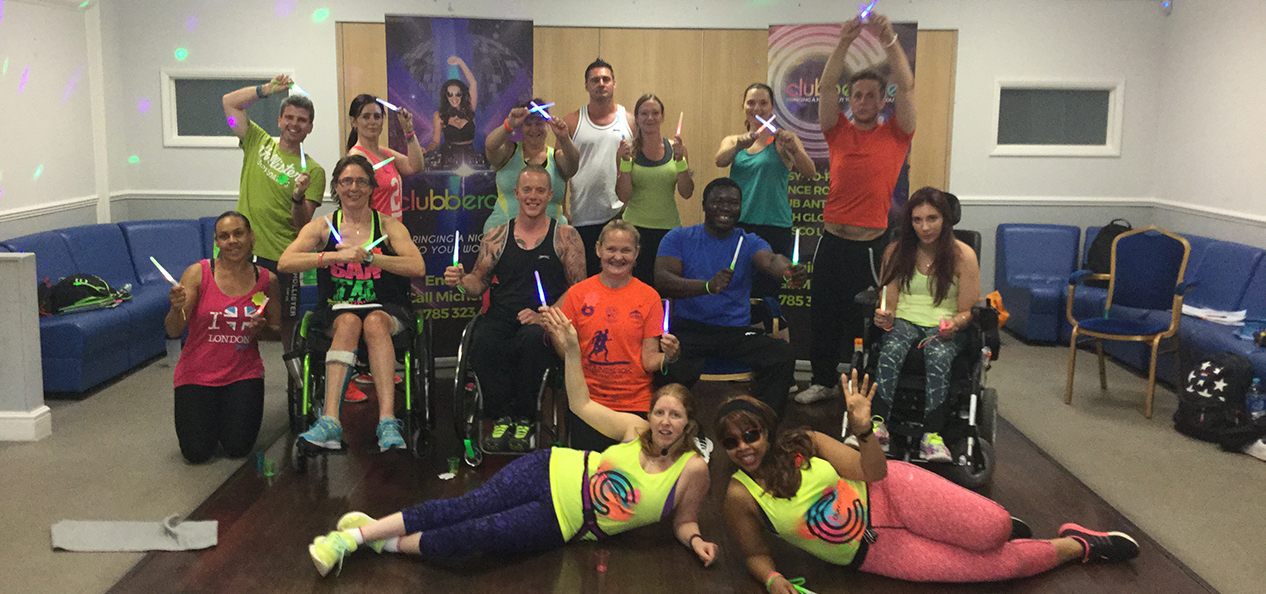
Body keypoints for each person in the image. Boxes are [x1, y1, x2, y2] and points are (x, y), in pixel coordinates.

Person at [305, 307, 718, 577]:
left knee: (474, 538)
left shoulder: (693, 470)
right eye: (659, 411)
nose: (664, 421)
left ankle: (380, 540)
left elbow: (684, 521)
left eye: (674, 415)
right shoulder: (635, 430)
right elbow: (580, 402)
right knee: (465, 506)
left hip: (566, 520)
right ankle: (349, 538)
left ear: (688, 424)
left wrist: (698, 542)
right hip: (551, 468)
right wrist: (572, 350)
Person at [719, 371, 1140, 593]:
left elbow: (874, 472)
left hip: (890, 492)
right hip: (871, 553)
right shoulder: (740, 495)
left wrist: (865, 430)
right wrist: (773, 580)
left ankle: (986, 526)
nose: (743, 447)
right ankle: (1077, 545)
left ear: (767, 430)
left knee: (992, 529)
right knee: (998, 567)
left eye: (750, 434)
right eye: (731, 441)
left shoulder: (806, 441)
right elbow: (755, 554)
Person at [797, 14, 916, 405]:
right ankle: (822, 381)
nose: (863, 101)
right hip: (832, 241)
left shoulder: (897, 134)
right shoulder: (838, 131)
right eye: (858, 95)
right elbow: (828, 84)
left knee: (868, 318)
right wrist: (844, 41)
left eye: (871, 95)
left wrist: (889, 39)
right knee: (824, 313)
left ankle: (864, 391)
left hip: (871, 246)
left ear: (884, 101)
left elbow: (907, 83)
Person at [278, 155, 426, 452]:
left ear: (372, 187)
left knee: (372, 321)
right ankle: (331, 420)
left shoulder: (388, 226)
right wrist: (332, 257)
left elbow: (417, 267)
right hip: (337, 309)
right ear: (336, 186)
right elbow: (285, 262)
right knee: (348, 321)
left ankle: (387, 419)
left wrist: (372, 257)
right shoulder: (322, 226)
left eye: (361, 181)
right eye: (347, 181)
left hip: (384, 307)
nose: (354, 187)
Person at [444, 166, 587, 452]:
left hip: (545, 318)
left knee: (532, 341)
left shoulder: (565, 236)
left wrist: (543, 316)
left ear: (550, 196)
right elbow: (478, 282)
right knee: (482, 340)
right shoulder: (496, 236)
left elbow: (578, 290)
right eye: (527, 190)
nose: (533, 196)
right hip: (502, 314)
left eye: (540, 191)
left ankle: (525, 418)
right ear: (517, 193)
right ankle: (501, 417)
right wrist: (460, 281)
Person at [653, 177, 806, 417]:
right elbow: (663, 280)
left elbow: (772, 260)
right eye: (718, 201)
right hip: (690, 331)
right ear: (704, 205)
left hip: (734, 333)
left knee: (782, 355)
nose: (725, 208)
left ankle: (762, 423)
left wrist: (788, 271)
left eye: (733, 203)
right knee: (661, 361)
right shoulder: (679, 238)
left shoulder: (749, 241)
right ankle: (671, 428)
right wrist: (707, 286)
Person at [871, 187, 981, 461]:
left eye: (932, 218)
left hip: (944, 323)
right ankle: (877, 425)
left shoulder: (963, 256)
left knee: (938, 353)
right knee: (893, 345)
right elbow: (889, 305)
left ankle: (932, 436)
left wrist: (955, 323)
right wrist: (883, 316)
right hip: (905, 319)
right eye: (917, 220)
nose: (925, 227)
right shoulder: (896, 251)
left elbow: (967, 310)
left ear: (945, 219)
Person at [222, 74, 327, 351]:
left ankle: (296, 384)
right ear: (280, 120)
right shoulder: (256, 141)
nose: (294, 124)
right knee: (233, 316)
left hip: (283, 258)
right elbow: (229, 103)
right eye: (289, 117)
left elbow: (303, 223)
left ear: (310, 127)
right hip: (242, 252)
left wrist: (297, 195)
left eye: (302, 120)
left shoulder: (314, 171)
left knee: (286, 324)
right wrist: (265, 90)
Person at [556, 219, 680, 451]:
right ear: (598, 249)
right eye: (611, 249)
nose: (618, 256)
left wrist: (670, 357)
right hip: (588, 402)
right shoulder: (577, 294)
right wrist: (554, 331)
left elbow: (648, 360)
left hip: (635, 404)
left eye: (626, 250)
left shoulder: (649, 297)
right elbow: (565, 352)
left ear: (637, 253)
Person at [167, 212, 279, 464]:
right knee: (196, 454)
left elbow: (276, 331)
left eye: (238, 233)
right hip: (197, 375)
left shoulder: (266, 280)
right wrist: (176, 308)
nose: (232, 241)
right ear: (216, 242)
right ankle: (211, 417)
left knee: (238, 448)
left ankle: (224, 417)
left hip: (243, 374)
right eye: (224, 236)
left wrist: (262, 330)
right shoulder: (198, 273)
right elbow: (174, 330)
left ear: (251, 237)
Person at [714, 83, 816, 300]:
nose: (757, 108)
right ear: (743, 106)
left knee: (767, 294)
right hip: (738, 226)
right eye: (751, 102)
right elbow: (720, 160)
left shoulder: (783, 141)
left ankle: (768, 333)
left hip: (774, 226)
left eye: (763, 103)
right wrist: (739, 146)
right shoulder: (733, 140)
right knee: (737, 289)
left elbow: (810, 172)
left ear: (772, 108)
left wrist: (794, 150)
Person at [563, 59, 633, 276]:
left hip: (620, 214)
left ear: (614, 83)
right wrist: (563, 210)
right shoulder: (573, 120)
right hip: (581, 215)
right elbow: (561, 170)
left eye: (606, 79)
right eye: (595, 80)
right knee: (585, 281)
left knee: (618, 279)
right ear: (586, 85)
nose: (601, 83)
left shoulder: (629, 120)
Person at [616, 93, 694, 287]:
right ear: (637, 118)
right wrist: (624, 164)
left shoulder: (677, 149)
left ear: (662, 116)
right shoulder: (627, 151)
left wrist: (680, 161)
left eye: (655, 113)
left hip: (669, 231)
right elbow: (623, 195)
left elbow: (687, 192)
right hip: (634, 231)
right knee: (634, 288)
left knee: (666, 288)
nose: (649, 118)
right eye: (644, 113)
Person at [483, 98, 579, 231]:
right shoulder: (509, 152)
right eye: (528, 124)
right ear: (521, 126)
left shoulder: (557, 157)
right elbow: (490, 146)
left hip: (551, 237)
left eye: (539, 123)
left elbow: (574, 163)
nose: (534, 129)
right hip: (503, 234)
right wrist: (509, 125)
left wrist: (564, 137)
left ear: (547, 126)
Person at [345, 93, 425, 221]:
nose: (372, 122)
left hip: (393, 233)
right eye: (366, 117)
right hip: (375, 235)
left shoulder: (384, 153)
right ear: (354, 121)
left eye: (377, 117)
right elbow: (354, 206)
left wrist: (408, 130)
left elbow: (416, 166)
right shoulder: (357, 158)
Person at [426, 59, 482, 170]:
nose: (454, 98)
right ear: (446, 96)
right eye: (450, 95)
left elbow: (473, 83)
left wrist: (461, 63)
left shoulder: (470, 110)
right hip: (448, 157)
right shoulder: (439, 115)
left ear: (462, 95)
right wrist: (427, 150)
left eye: (458, 94)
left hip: (470, 157)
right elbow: (435, 141)